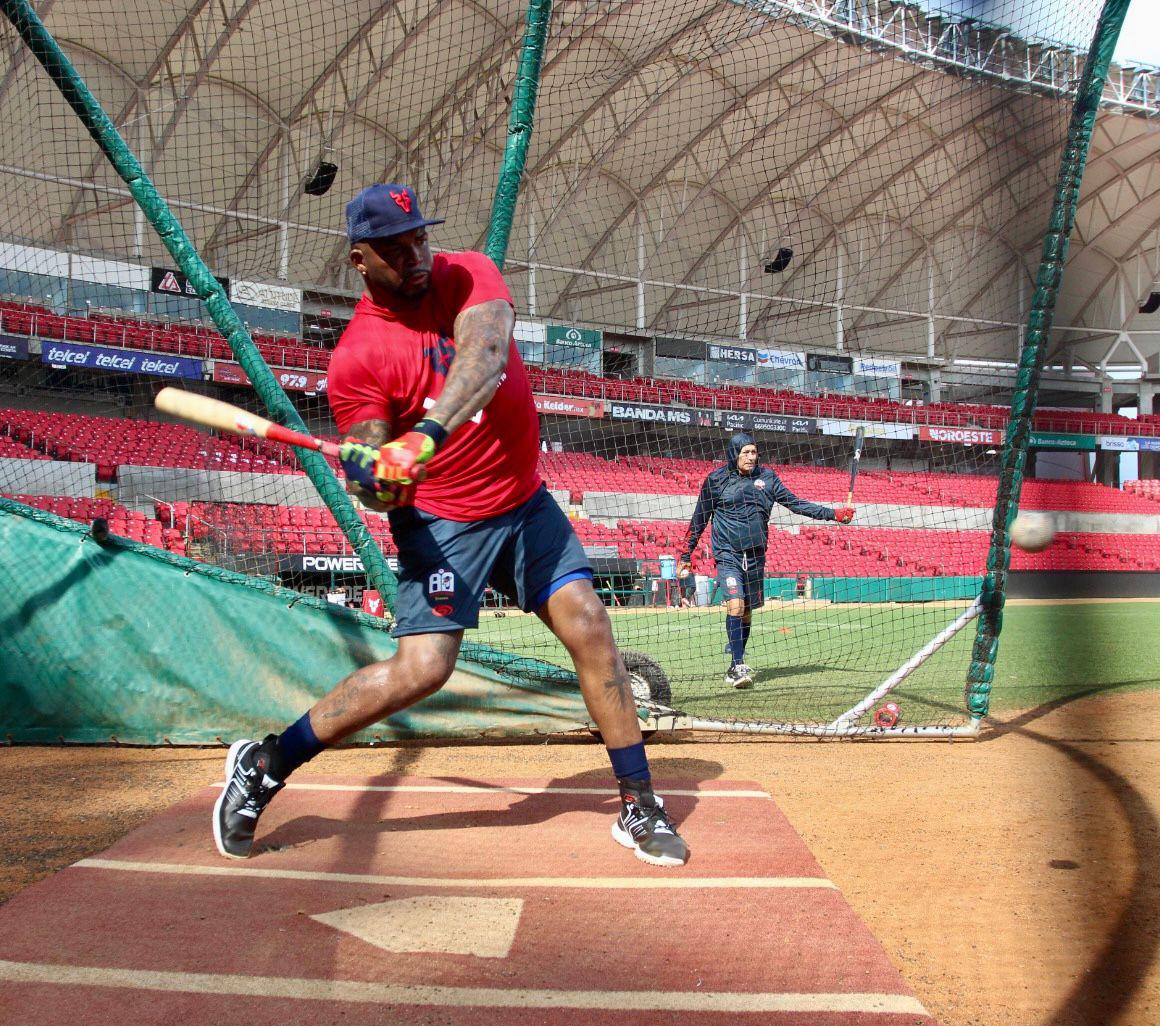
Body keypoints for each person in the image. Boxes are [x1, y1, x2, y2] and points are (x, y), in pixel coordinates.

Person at [213, 183, 689, 867]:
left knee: (589, 623)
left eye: (418, 238)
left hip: (524, 502)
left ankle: (639, 804)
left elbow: (487, 356)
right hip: (443, 521)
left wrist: (426, 434)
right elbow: (372, 464)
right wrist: (377, 475)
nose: (415, 255)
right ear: (360, 261)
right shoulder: (357, 358)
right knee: (423, 668)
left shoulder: (467, 273)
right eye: (394, 247)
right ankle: (266, 763)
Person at [678, 432, 855, 689]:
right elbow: (699, 519)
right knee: (736, 605)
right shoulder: (715, 480)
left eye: (754, 452)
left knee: (747, 612)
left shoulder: (768, 478)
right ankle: (738, 666)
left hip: (756, 555)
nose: (751, 457)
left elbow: (796, 504)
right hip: (727, 554)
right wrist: (686, 555)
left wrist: (834, 514)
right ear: (734, 454)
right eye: (745, 452)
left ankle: (735, 662)